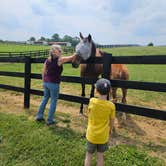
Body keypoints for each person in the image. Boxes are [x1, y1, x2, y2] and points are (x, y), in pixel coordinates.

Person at [36, 44, 74, 125]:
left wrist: (43, 82)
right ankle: (50, 120)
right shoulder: (59, 60)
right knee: (53, 101)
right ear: (55, 52)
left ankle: (39, 116)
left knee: (45, 99)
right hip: (54, 83)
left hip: (46, 82)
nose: (61, 51)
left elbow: (43, 72)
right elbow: (72, 57)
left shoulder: (47, 60)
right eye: (59, 50)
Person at [84, 78, 116, 166]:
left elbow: (89, 113)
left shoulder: (92, 101)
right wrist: (111, 129)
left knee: (88, 156)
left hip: (91, 135)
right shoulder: (111, 106)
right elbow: (112, 121)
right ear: (110, 91)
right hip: (103, 136)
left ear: (96, 90)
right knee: (100, 157)